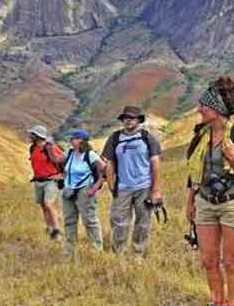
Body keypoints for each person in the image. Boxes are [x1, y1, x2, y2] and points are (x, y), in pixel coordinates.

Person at [184, 77, 234, 306]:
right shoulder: (201, 136)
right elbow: (195, 175)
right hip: (205, 202)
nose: (199, 110)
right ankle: (217, 304)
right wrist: (190, 202)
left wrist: (233, 159)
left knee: (231, 261)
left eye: (203, 107)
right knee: (208, 259)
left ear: (215, 109)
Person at [102, 105, 163, 254]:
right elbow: (109, 162)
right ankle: (119, 253)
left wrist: (155, 190)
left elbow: (155, 163)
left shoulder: (147, 138)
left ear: (138, 120)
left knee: (143, 222)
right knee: (119, 222)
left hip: (144, 187)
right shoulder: (115, 138)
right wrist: (111, 185)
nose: (128, 120)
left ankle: (138, 252)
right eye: (125, 118)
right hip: (122, 187)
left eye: (131, 118)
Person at [60, 128, 106, 255]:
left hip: (85, 190)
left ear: (82, 140)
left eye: (74, 138)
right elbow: (65, 169)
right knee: (69, 220)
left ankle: (97, 250)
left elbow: (105, 171)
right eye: (72, 138)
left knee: (89, 220)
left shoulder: (90, 155)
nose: (71, 140)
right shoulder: (70, 153)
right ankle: (70, 250)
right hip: (68, 190)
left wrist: (95, 187)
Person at [27, 125, 65, 240]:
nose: (30, 136)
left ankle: (57, 230)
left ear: (38, 136)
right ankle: (50, 229)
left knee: (49, 204)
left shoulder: (51, 148)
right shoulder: (33, 148)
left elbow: (64, 159)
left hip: (50, 180)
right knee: (43, 205)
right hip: (38, 180)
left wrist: (62, 175)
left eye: (32, 134)